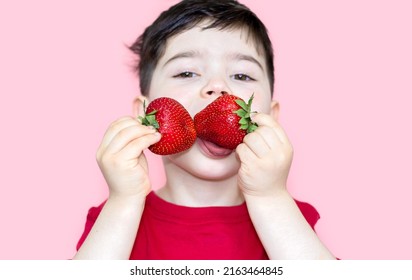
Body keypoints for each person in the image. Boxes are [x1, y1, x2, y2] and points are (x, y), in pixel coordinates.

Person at [74, 0, 335, 260]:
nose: (217, 86)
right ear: (144, 114)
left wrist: (270, 198)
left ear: (271, 117)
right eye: (187, 73)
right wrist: (123, 201)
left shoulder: (289, 219)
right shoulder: (112, 221)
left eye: (242, 76)